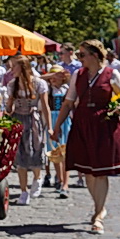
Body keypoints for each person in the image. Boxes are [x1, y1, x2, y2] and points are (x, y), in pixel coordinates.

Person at [53, 39, 120, 233]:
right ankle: (99, 208)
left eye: (82, 54)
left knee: (100, 171)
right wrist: (57, 127)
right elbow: (68, 102)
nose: (79, 58)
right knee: (88, 170)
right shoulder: (78, 75)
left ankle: (98, 214)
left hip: (104, 125)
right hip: (82, 124)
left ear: (94, 55)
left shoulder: (112, 74)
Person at [4, 55, 50, 204]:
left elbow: (45, 107)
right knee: (20, 156)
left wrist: (49, 127)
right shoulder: (12, 84)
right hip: (18, 119)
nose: (11, 70)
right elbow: (9, 108)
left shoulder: (39, 83)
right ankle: (24, 191)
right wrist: (8, 105)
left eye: (14, 67)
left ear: (23, 67)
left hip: (33, 120)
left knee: (35, 150)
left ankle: (37, 177)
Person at [44, 67, 72, 198]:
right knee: (55, 153)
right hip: (52, 119)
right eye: (52, 76)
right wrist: (51, 75)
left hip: (64, 120)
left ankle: (65, 183)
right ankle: (60, 180)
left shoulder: (67, 89)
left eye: (57, 76)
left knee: (65, 152)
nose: (54, 78)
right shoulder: (48, 89)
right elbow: (36, 79)